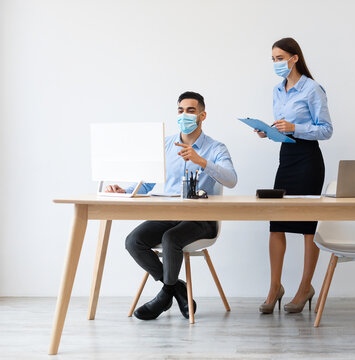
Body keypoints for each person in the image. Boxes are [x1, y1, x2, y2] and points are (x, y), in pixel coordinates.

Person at [106, 91, 237, 320]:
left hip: (201, 221)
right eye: (180, 110)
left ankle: (164, 296)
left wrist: (201, 161)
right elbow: (146, 184)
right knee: (133, 241)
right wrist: (125, 191)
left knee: (170, 239)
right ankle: (177, 289)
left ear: (202, 115)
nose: (184, 115)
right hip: (166, 216)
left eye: (191, 110)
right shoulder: (165, 146)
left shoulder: (216, 148)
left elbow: (231, 179)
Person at [255, 38, 333, 314]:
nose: (276, 63)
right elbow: (283, 129)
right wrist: (270, 132)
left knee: (307, 227)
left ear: (295, 58)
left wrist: (294, 127)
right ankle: (275, 287)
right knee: (276, 223)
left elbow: (325, 130)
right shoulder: (278, 90)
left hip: (309, 160)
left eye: (280, 58)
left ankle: (305, 288)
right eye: (273, 59)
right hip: (286, 159)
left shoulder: (312, 89)